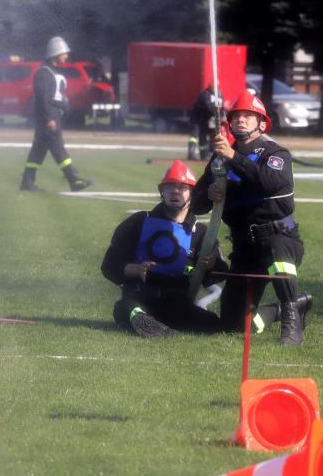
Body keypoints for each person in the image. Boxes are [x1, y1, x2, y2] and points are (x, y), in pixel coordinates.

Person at [191, 90, 310, 346]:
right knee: (233, 325)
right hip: (244, 247)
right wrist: (209, 192)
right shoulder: (220, 158)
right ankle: (282, 310)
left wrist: (234, 158)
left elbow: (269, 183)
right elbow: (196, 205)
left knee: (279, 257)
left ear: (262, 124)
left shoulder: (275, 154)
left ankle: (292, 325)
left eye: (248, 116)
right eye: (236, 116)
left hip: (278, 236)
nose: (241, 120)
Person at [101, 160, 225, 337]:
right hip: (139, 296)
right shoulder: (138, 222)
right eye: (170, 187)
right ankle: (141, 320)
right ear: (162, 192)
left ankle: (162, 323)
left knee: (214, 325)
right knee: (129, 308)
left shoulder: (201, 233)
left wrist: (211, 265)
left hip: (176, 302)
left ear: (192, 194)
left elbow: (216, 274)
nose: (175, 191)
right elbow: (109, 266)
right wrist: (136, 269)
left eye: (182, 188)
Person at [20, 36, 92, 192]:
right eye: (64, 53)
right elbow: (43, 98)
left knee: (37, 152)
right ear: (56, 54)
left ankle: (27, 182)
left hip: (51, 117)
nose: (66, 56)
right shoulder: (44, 73)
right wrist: (50, 118)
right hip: (49, 118)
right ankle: (74, 179)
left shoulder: (51, 72)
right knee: (58, 149)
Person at [188, 85, 221, 161]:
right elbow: (208, 107)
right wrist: (216, 112)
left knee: (202, 137)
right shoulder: (205, 95)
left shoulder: (216, 95)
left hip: (203, 120)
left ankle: (203, 155)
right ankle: (191, 154)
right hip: (196, 119)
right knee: (194, 137)